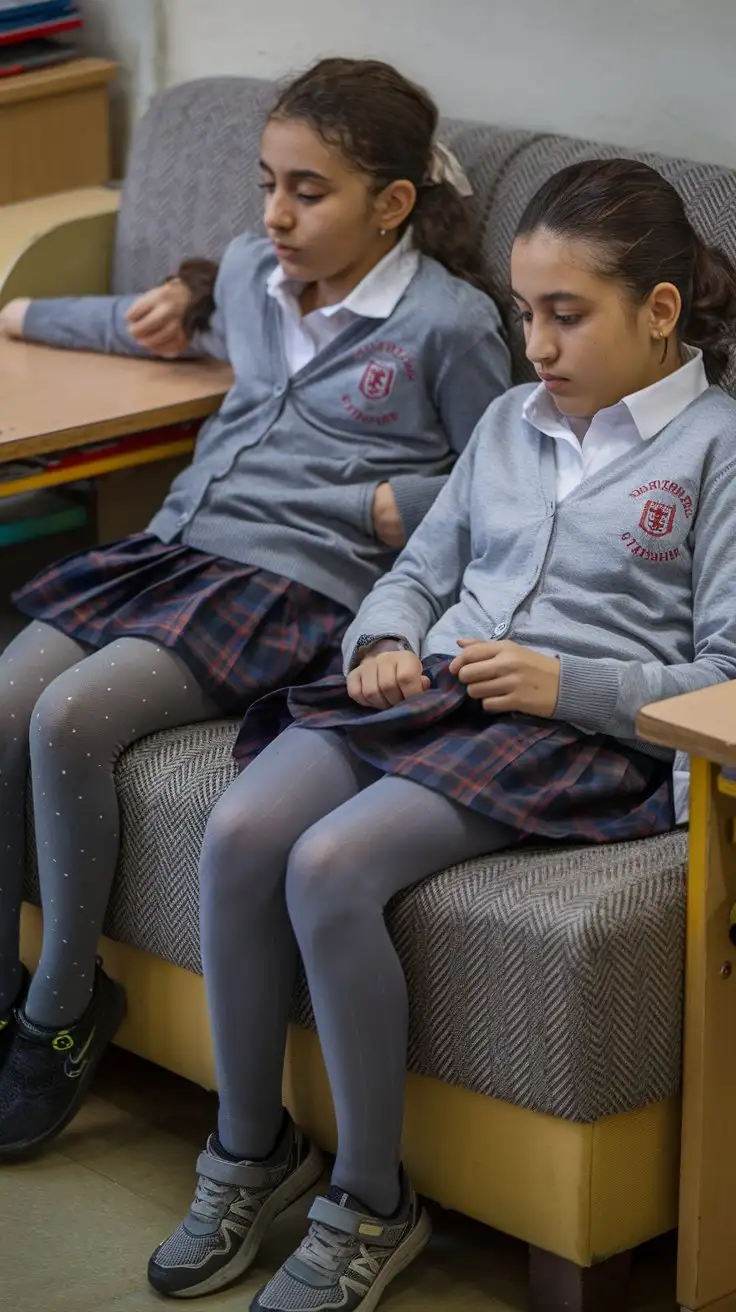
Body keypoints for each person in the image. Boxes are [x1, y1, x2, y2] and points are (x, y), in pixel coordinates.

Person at [147, 157, 736, 1311]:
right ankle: (248, 1150)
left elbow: (722, 674)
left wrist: (570, 682)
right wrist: (381, 640)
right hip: (435, 690)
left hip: (568, 728)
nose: (538, 347)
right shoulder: (514, 423)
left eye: (566, 316)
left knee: (329, 864)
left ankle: (371, 1201)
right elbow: (419, 570)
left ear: (658, 313)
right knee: (240, 829)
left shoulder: (717, 450)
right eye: (526, 314)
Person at [0, 57, 511, 1161]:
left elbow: (509, 484)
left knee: (69, 718)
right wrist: (21, 307)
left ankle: (60, 1014)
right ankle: (3, 993)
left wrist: (401, 501)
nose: (275, 213)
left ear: (392, 204)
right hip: (176, 546)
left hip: (290, 589)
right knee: (5, 699)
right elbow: (146, 329)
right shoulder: (245, 270)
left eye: (308, 192)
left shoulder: (447, 325)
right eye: (266, 183)